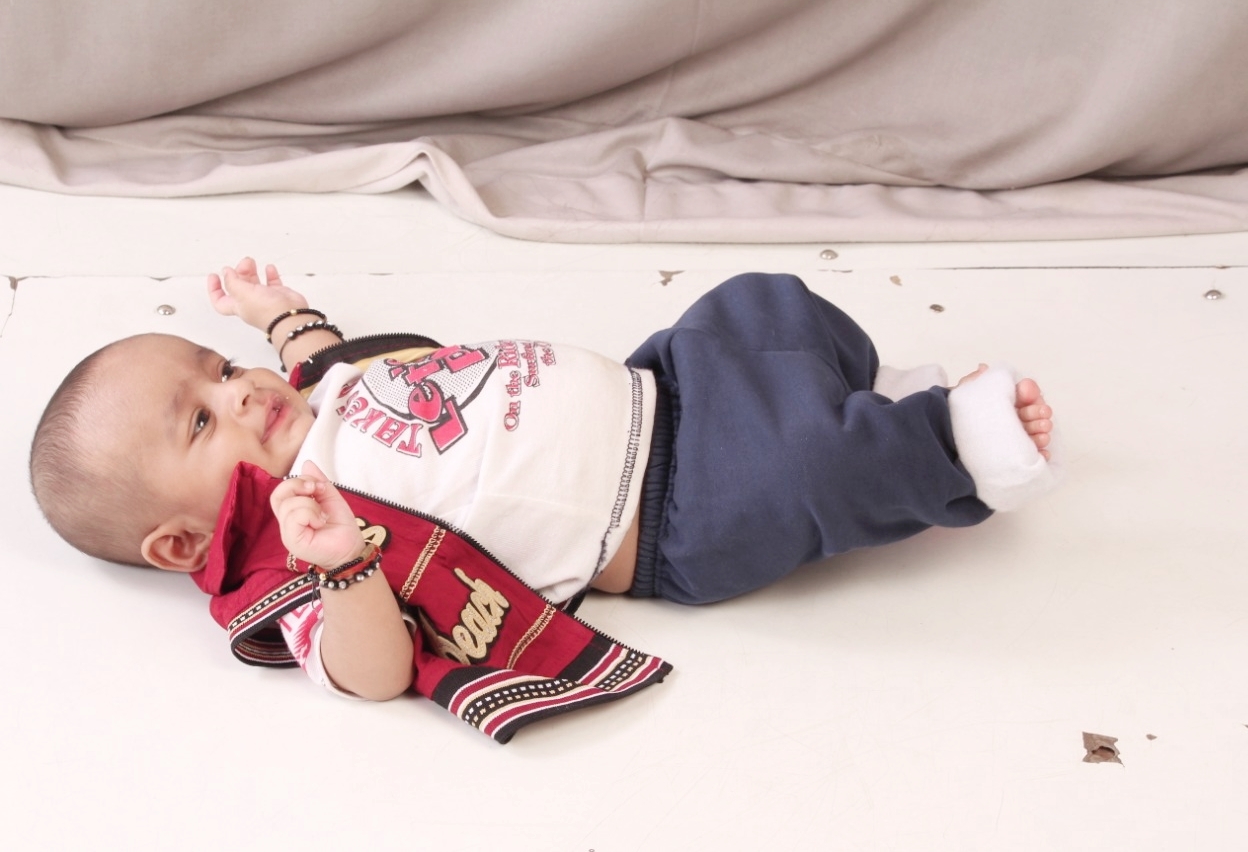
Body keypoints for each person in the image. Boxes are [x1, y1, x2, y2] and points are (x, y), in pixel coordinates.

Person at [30, 258, 1056, 710]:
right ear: (180, 540)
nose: (240, 390)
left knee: (757, 302)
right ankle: (954, 451)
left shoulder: (305, 399)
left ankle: (880, 402)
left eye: (218, 367)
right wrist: (343, 568)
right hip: (671, 511)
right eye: (200, 420)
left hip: (664, 385)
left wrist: (278, 313)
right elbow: (371, 671)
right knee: (801, 473)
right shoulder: (292, 554)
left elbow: (338, 359)